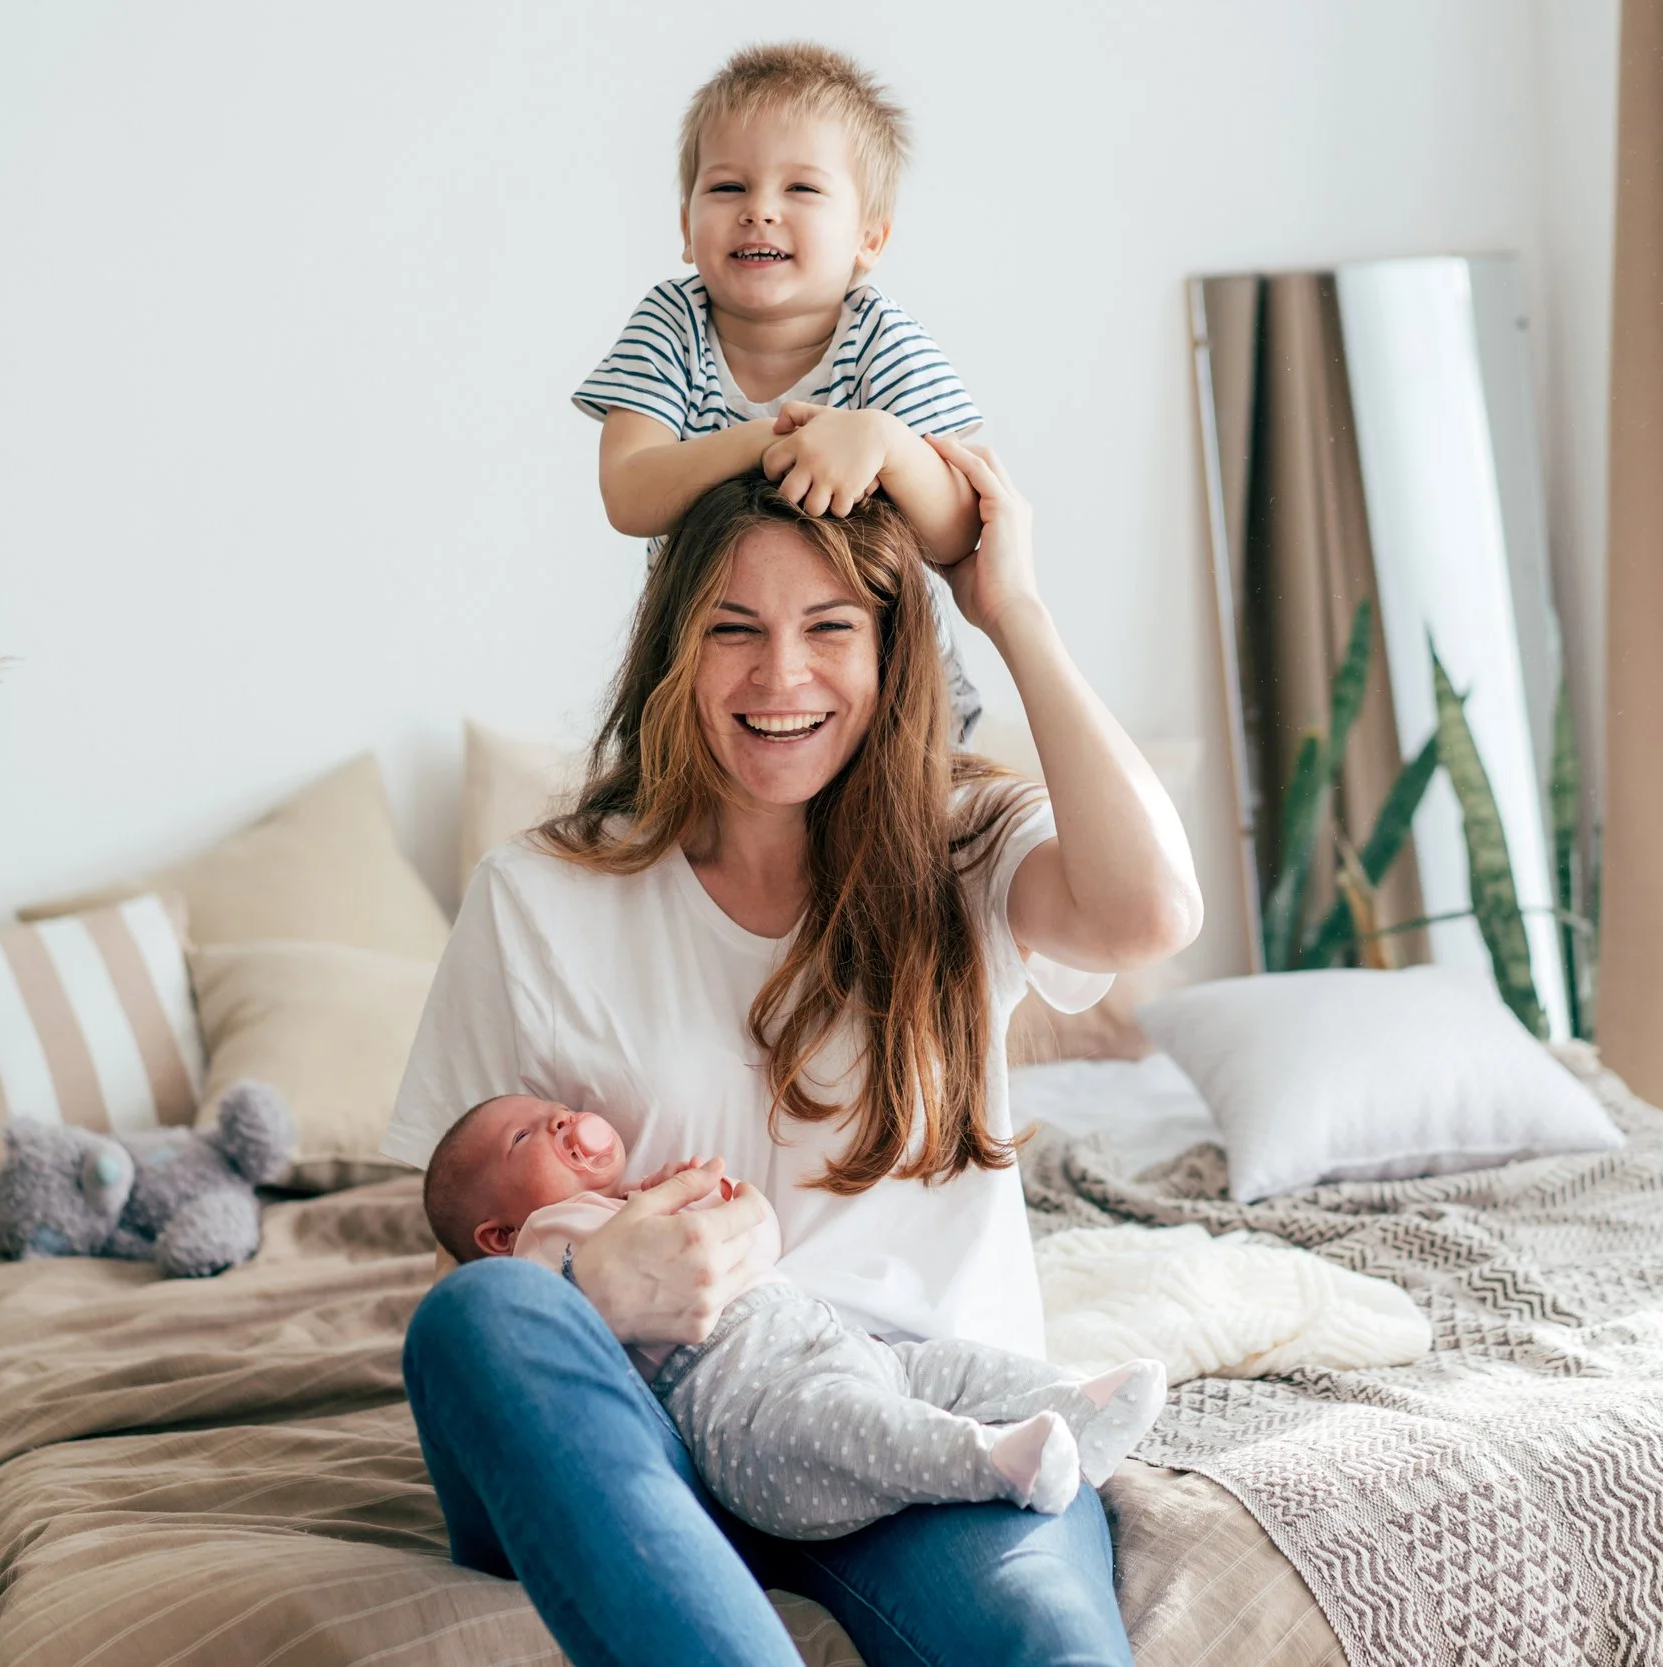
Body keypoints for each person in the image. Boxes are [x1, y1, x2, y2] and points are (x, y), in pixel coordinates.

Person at [384, 442, 1201, 1665]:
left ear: (890, 652)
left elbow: (1151, 911)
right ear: (674, 650)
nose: (781, 674)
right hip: (648, 1412)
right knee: (476, 1313)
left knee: (1046, 1644)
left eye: (830, 626)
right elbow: (472, 1217)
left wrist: (1011, 610)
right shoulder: (536, 895)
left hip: (906, 1414)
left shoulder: (964, 845)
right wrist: (589, 1286)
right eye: (732, 629)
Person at [420, 1092, 1168, 1540]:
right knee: (856, 1425)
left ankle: (1077, 1404)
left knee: (943, 1366)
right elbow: (542, 1322)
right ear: (495, 1233)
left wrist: (726, 1203)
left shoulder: (630, 1201)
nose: (560, 1124)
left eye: (555, 1114)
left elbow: (756, 1240)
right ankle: (990, 1461)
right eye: (525, 1136)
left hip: (819, 1329)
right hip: (746, 1394)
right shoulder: (539, 1246)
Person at [573, 41, 990, 740]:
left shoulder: (884, 340)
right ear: (685, 228)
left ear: (869, 238)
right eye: (728, 187)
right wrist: (773, 441)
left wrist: (884, 442)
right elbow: (628, 492)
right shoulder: (671, 326)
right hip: (711, 673)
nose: (759, 210)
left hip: (881, 686)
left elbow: (959, 530)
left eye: (801, 189)